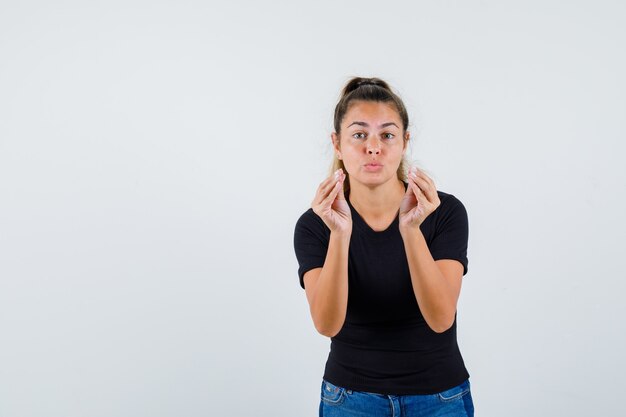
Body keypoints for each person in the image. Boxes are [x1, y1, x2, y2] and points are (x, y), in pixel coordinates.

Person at [293, 77, 474, 417]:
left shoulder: (444, 212)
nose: (372, 147)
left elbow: (440, 318)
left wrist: (410, 230)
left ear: (405, 141)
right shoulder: (314, 225)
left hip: (439, 398)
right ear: (337, 143)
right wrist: (340, 233)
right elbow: (326, 324)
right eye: (359, 135)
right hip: (350, 400)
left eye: (387, 135)